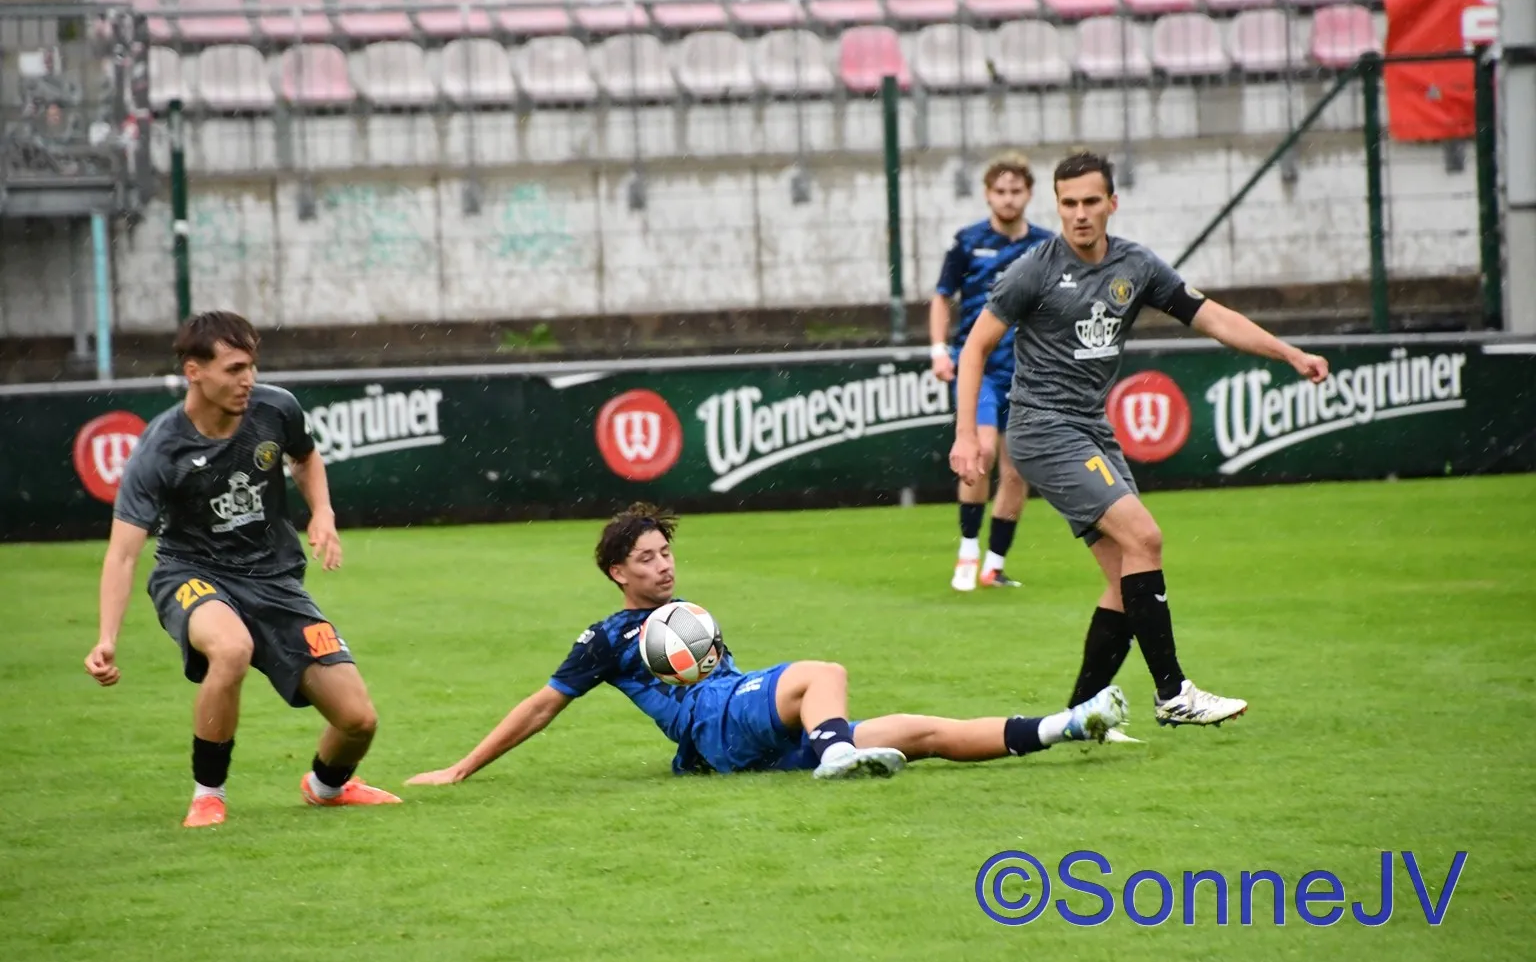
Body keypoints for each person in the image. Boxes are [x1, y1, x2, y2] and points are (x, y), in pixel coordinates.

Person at [949, 150, 1330, 728]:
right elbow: (975, 347)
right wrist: (965, 436)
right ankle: (1173, 694)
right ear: (1057, 206)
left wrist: (1289, 353)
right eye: (1068, 203)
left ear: (1112, 203)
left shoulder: (1136, 265)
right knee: (1145, 537)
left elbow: (1212, 316)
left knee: (1125, 578)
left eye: (1090, 202)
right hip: (1043, 429)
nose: (1079, 214)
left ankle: (1078, 718)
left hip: (1091, 429)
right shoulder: (1034, 269)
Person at [405, 503, 1130, 786]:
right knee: (821, 671)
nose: (663, 565)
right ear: (617, 573)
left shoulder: (683, 611)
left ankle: (1070, 724)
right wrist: (461, 768)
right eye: (647, 559)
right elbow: (543, 705)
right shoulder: (606, 638)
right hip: (714, 722)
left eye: (666, 552)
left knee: (922, 732)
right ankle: (835, 755)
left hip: (743, 731)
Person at [83, 311, 401, 827]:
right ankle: (208, 794)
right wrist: (106, 638)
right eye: (234, 369)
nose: (247, 379)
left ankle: (326, 788)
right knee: (231, 649)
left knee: (358, 721)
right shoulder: (160, 449)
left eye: (251, 366)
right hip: (191, 574)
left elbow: (305, 458)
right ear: (194, 371)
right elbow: (122, 554)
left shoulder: (277, 409)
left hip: (274, 580)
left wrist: (322, 511)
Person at [929, 152, 1055, 592]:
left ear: (1029, 194)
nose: (1008, 198)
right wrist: (939, 349)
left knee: (1018, 469)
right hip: (978, 367)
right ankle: (968, 552)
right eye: (1000, 191)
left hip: (1026, 371)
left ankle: (994, 566)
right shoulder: (968, 242)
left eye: (1015, 191)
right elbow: (942, 296)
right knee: (979, 452)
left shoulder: (1046, 246)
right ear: (987, 194)